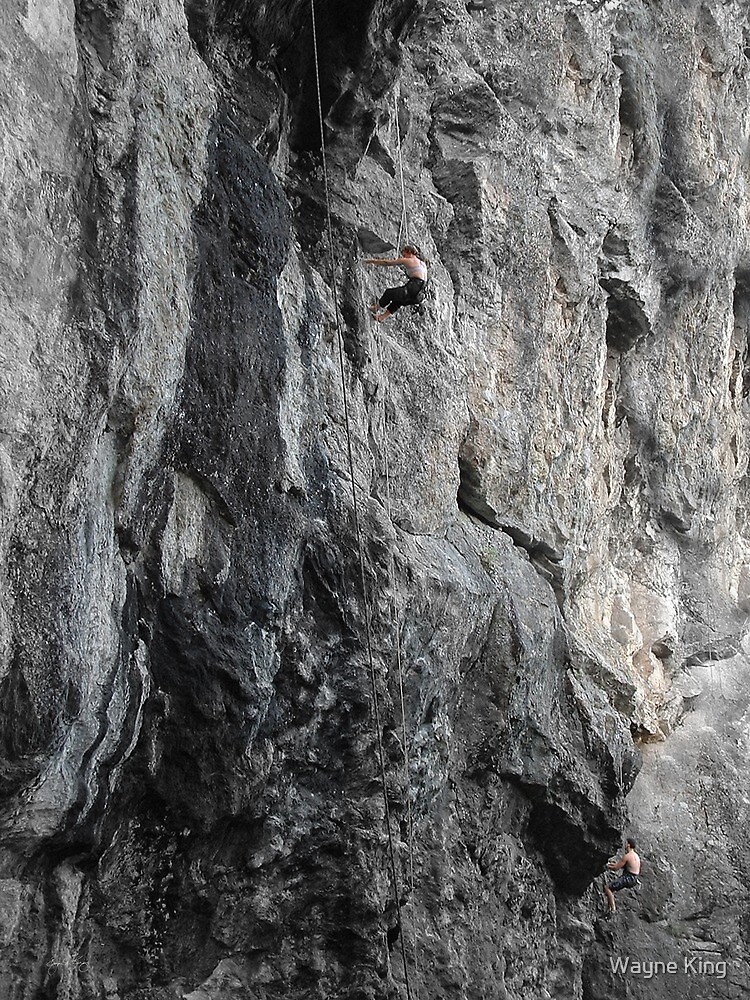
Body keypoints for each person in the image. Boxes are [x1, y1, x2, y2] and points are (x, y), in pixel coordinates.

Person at [364, 246, 428, 321]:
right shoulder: (422, 263)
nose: (404, 257)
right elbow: (418, 274)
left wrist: (373, 261)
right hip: (420, 294)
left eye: (404, 255)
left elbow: (387, 263)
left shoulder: (408, 260)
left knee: (389, 293)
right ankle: (382, 317)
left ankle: (376, 308)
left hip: (414, 287)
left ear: (409, 252)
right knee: (399, 301)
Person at [603, 836, 641, 914]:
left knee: (607, 888)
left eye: (626, 843)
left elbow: (616, 868)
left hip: (628, 878)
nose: (624, 844)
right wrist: (610, 864)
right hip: (634, 878)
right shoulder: (636, 856)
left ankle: (612, 909)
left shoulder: (627, 856)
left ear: (628, 845)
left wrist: (606, 866)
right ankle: (609, 909)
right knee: (611, 888)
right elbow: (619, 865)